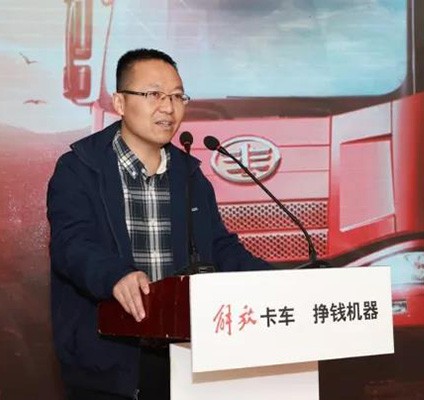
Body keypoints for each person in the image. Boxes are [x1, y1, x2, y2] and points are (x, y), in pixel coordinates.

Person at [47, 48, 271, 400]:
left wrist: (277, 280)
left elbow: (218, 248)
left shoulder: (190, 175)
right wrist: (115, 275)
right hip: (110, 359)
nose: (168, 107)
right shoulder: (80, 169)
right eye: (154, 94)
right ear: (120, 103)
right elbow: (71, 244)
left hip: (184, 355)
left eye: (177, 96)